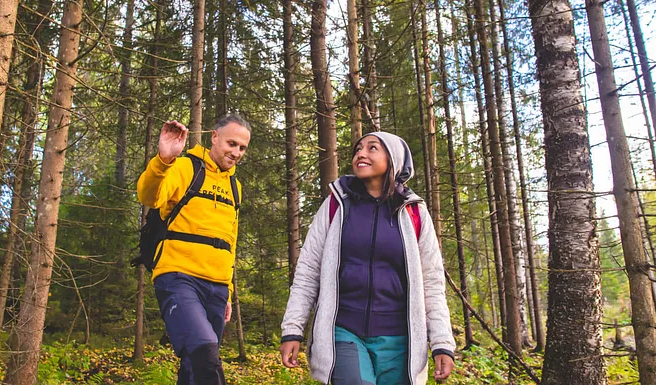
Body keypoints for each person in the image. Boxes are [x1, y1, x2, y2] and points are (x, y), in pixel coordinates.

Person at [280, 132, 456, 385]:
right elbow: (308, 271)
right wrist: (292, 330)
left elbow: (432, 283)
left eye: (372, 148)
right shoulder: (336, 205)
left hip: (399, 340)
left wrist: (441, 343)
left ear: (393, 159)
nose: (360, 154)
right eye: (358, 149)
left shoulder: (414, 212)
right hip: (343, 331)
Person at [137, 114, 251, 385]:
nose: (236, 152)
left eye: (242, 148)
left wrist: (229, 294)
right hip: (178, 277)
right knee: (204, 351)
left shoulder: (236, 188)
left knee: (193, 368)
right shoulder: (186, 167)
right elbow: (149, 196)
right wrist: (164, 160)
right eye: (231, 143)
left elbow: (230, 242)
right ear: (214, 136)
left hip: (217, 288)